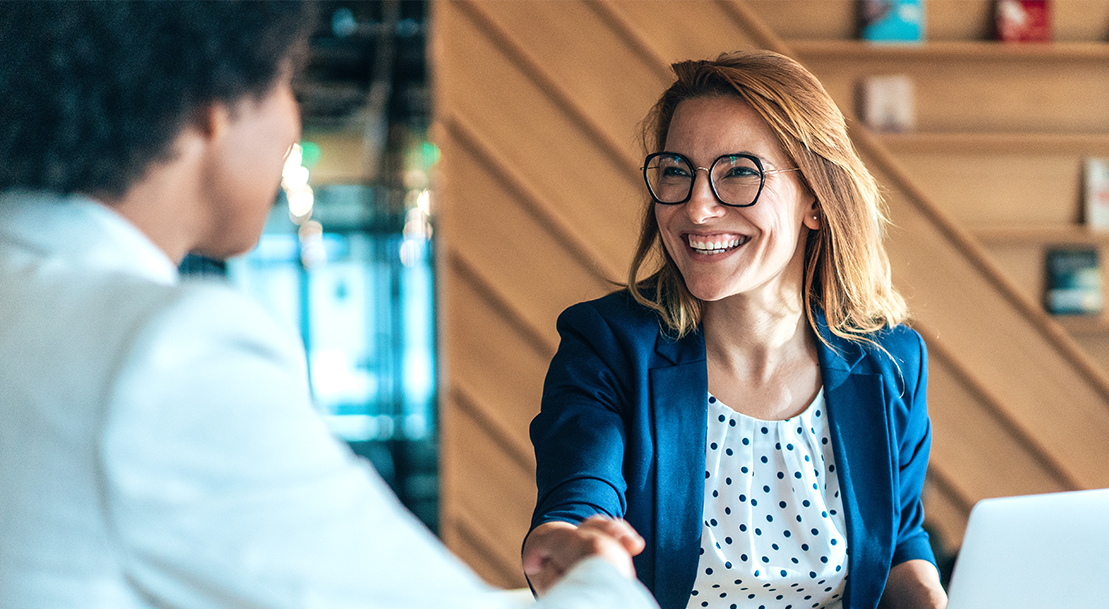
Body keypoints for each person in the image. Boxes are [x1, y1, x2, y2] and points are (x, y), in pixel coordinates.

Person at [0, 2, 658, 608]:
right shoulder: (162, 356)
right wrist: (602, 570)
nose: (294, 122)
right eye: (288, 81)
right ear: (213, 103)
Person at [523, 50, 949, 609]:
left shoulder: (891, 360)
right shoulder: (607, 344)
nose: (697, 208)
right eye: (677, 172)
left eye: (739, 172)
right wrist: (573, 545)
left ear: (816, 202)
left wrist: (929, 596)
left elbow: (899, 544)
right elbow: (580, 500)